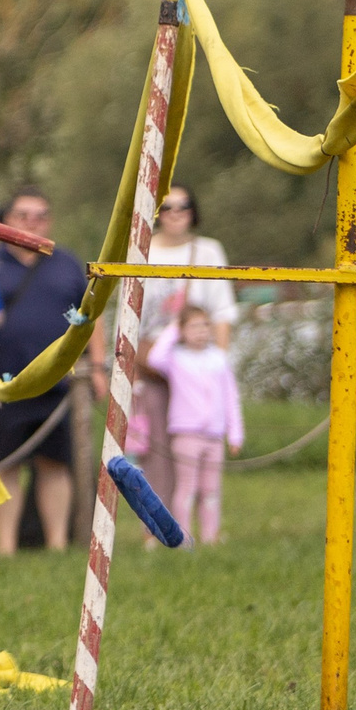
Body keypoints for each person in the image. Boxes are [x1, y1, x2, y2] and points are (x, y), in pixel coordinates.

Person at [129, 183, 232, 532]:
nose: (175, 214)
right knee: (156, 450)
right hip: (152, 363)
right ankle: (156, 529)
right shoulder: (139, 250)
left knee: (198, 448)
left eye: (183, 206)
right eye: (166, 207)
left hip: (196, 366)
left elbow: (221, 311)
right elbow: (129, 313)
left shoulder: (208, 251)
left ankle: (204, 531)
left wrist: (218, 366)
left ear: (193, 212)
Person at [0, 188, 89, 556]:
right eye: (22, 215)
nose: (31, 222)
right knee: (8, 464)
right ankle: (6, 548)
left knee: (55, 463)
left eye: (40, 215)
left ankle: (58, 544)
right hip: (5, 382)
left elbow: (87, 317)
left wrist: (93, 368)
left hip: (59, 383)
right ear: (7, 219)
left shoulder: (66, 263)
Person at [144, 306, 241, 546]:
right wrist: (173, 328)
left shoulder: (219, 358)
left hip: (214, 435)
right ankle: (183, 536)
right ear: (182, 331)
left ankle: (210, 536)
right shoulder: (176, 358)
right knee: (186, 486)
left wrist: (235, 433)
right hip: (186, 433)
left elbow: (231, 397)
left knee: (210, 489)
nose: (201, 332)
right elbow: (155, 358)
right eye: (194, 326)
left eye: (205, 325)